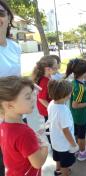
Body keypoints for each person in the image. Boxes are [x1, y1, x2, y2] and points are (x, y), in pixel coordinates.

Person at [0, 76, 48, 176]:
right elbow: (37, 163)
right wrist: (45, 146)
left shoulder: (3, 125)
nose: (33, 99)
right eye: (28, 97)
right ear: (10, 105)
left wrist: (32, 139)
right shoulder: (24, 133)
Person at [0, 1, 21, 174]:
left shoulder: (14, 47)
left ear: (8, 18)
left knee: (19, 157)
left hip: (15, 111)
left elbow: (17, 77)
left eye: (0, 13)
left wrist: (27, 86)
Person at [65, 59, 86, 161]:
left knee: (78, 133)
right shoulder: (80, 88)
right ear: (84, 73)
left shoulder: (74, 82)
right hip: (80, 116)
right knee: (81, 135)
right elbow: (75, 105)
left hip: (75, 115)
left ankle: (79, 148)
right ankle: (82, 153)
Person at [48, 80, 78, 176]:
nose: (71, 94)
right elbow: (66, 131)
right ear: (65, 95)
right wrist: (73, 144)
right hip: (64, 144)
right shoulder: (63, 111)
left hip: (55, 140)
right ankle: (64, 173)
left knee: (57, 158)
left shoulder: (52, 104)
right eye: (70, 93)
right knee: (65, 164)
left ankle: (58, 171)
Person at [32, 56, 58, 143]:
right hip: (48, 111)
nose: (57, 68)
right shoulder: (44, 82)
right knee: (52, 130)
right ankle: (55, 147)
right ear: (47, 69)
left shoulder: (48, 77)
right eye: (55, 67)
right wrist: (52, 108)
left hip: (49, 109)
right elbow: (41, 99)